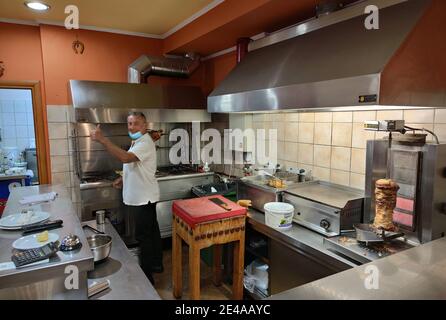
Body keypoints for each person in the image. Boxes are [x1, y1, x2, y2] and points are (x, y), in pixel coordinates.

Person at [90, 112, 163, 284]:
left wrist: (103, 140)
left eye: (136, 123)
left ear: (144, 126)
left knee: (144, 237)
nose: (132, 127)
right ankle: (157, 265)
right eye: (129, 124)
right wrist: (123, 178)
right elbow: (136, 165)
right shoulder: (138, 142)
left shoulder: (144, 142)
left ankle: (147, 278)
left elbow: (125, 157)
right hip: (144, 196)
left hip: (143, 197)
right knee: (152, 232)